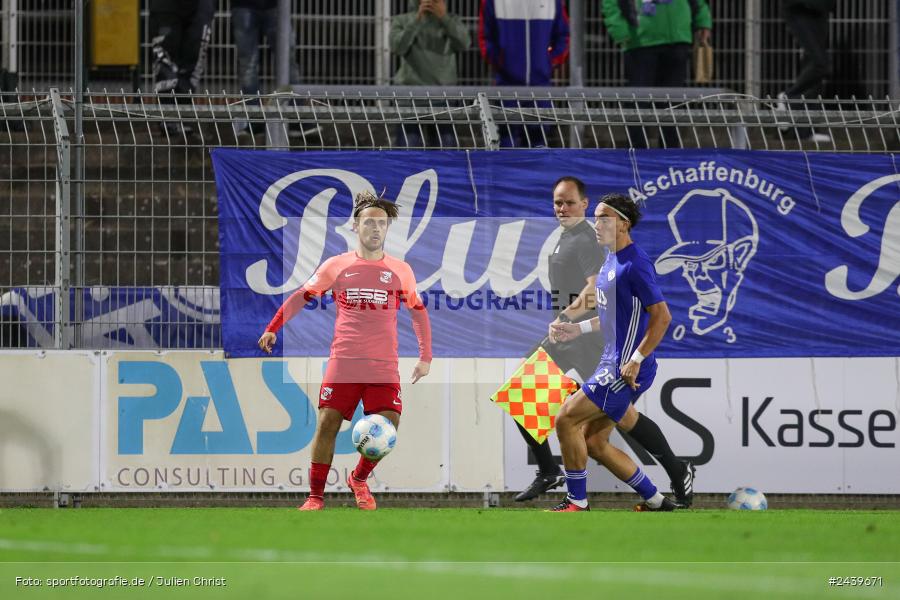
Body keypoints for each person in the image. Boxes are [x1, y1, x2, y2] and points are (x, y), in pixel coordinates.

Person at [258, 192, 433, 511]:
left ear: (387, 229)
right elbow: (301, 296)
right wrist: (273, 327)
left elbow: (418, 312)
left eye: (382, 223)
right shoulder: (336, 266)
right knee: (327, 424)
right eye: (369, 222)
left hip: (382, 364)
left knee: (389, 424)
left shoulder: (400, 270)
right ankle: (314, 497)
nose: (376, 228)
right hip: (345, 362)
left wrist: (425, 357)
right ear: (355, 226)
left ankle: (359, 478)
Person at [549, 193, 682, 512]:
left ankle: (576, 501)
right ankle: (656, 501)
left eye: (603, 218)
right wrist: (576, 328)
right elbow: (613, 319)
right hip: (612, 361)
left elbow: (662, 316)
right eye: (595, 218)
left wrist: (635, 361)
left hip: (623, 367)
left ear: (624, 224)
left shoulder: (635, 264)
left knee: (566, 419)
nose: (596, 224)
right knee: (594, 442)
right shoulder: (609, 261)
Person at [602, 0, 712, 148]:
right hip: (641, 40)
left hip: (678, 38)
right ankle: (637, 152)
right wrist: (619, 30)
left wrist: (703, 21)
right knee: (638, 101)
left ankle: (670, 153)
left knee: (673, 103)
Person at [478, 0, 570, 147]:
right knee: (507, 144)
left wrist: (549, 62)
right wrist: (501, 61)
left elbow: (564, 35)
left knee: (539, 145)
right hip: (506, 85)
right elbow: (485, 36)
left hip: (540, 86)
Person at [390, 0, 470, 148]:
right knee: (408, 149)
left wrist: (444, 17)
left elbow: (464, 44)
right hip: (410, 95)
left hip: (443, 95)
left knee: (446, 149)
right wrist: (416, 20)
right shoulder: (403, 20)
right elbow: (397, 47)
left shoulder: (451, 20)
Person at [231, 0, 302, 139]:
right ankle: (257, 122)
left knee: (286, 62)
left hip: (273, 6)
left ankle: (296, 118)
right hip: (248, 6)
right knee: (250, 66)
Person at [149, 0, 215, 137]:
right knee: (165, 60)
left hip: (200, 7)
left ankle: (184, 117)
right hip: (165, 6)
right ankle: (168, 119)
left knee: (194, 60)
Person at [776, 0, 835, 144]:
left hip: (820, 8)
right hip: (799, 7)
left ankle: (805, 132)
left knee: (812, 66)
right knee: (820, 64)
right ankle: (789, 96)